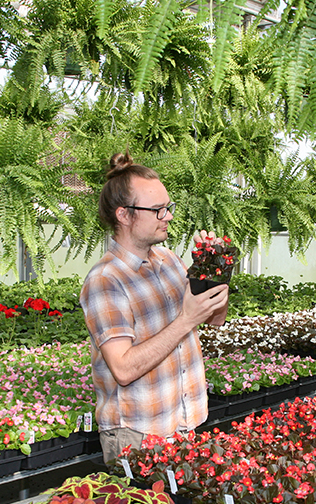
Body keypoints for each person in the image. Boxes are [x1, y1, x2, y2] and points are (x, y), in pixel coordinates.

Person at [80, 152, 230, 463]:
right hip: (138, 438)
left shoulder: (170, 260)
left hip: (187, 423)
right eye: (158, 210)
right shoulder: (106, 280)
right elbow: (122, 369)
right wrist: (186, 320)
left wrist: (213, 270)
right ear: (124, 215)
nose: (168, 216)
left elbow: (216, 319)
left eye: (168, 207)